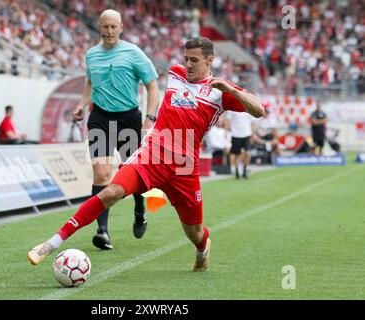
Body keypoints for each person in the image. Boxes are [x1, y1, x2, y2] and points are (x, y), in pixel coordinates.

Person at [28, 37, 265, 272]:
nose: (188, 65)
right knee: (111, 192)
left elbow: (258, 110)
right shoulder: (175, 73)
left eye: (194, 60)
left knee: (194, 232)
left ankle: (203, 249)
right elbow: (148, 81)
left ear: (210, 60)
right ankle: (52, 243)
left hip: (184, 166)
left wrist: (230, 89)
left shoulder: (220, 92)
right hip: (152, 154)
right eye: (186, 59)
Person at [71, 9, 160, 250]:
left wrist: (150, 118)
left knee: (135, 177)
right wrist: (81, 104)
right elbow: (90, 82)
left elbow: (152, 86)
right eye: (105, 27)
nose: (109, 31)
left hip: (129, 118)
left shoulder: (134, 53)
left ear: (121, 27)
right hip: (100, 117)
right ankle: (102, 231)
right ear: (99, 27)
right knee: (101, 174)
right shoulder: (91, 55)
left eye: (113, 27)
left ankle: (140, 209)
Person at [226, 110, 254, 179]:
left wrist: (252, 132)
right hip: (235, 134)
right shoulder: (232, 108)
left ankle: (244, 170)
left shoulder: (248, 108)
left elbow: (252, 121)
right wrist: (227, 131)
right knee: (236, 154)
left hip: (247, 134)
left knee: (248, 153)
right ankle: (236, 171)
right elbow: (228, 120)